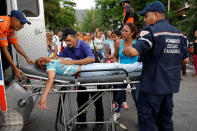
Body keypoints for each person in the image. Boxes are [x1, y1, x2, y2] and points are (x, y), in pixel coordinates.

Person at [122, 1, 189, 131]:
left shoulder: (150, 31)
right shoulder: (179, 33)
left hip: (151, 87)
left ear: (156, 15)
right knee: (165, 121)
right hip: (169, 87)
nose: (145, 19)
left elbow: (133, 52)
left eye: (146, 16)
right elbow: (185, 60)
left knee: (148, 123)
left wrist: (125, 50)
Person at [59, 28, 104, 131]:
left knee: (97, 100)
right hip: (80, 78)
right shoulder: (67, 48)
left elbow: (91, 58)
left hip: (93, 77)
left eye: (69, 40)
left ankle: (100, 122)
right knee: (81, 101)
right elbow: (60, 59)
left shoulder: (83, 45)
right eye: (65, 41)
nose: (67, 43)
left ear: (75, 37)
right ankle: (81, 122)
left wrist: (73, 62)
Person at [113, 23, 139, 121]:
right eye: (122, 30)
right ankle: (117, 112)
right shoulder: (118, 42)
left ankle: (141, 118)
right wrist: (117, 65)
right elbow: (115, 56)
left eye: (126, 31)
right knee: (119, 95)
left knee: (136, 96)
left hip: (135, 72)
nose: (123, 33)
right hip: (122, 71)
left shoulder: (137, 42)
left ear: (132, 33)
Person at [0, 10, 34, 80]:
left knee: (8, 56)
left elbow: (16, 45)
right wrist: (15, 69)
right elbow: (4, 49)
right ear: (13, 19)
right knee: (6, 54)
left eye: (24, 24)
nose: (22, 26)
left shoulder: (11, 28)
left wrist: (26, 57)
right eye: (21, 23)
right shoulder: (3, 25)